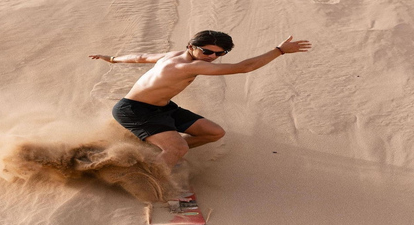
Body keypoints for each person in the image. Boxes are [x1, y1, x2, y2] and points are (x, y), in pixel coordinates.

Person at [89, 30, 311, 171]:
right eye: (207, 51)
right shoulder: (189, 65)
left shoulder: (174, 55)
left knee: (214, 133)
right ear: (191, 47)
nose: (212, 58)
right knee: (177, 149)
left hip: (163, 108)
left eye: (219, 54)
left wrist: (113, 59)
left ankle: (163, 153)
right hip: (136, 110)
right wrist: (280, 51)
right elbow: (244, 68)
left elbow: (141, 57)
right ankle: (152, 180)